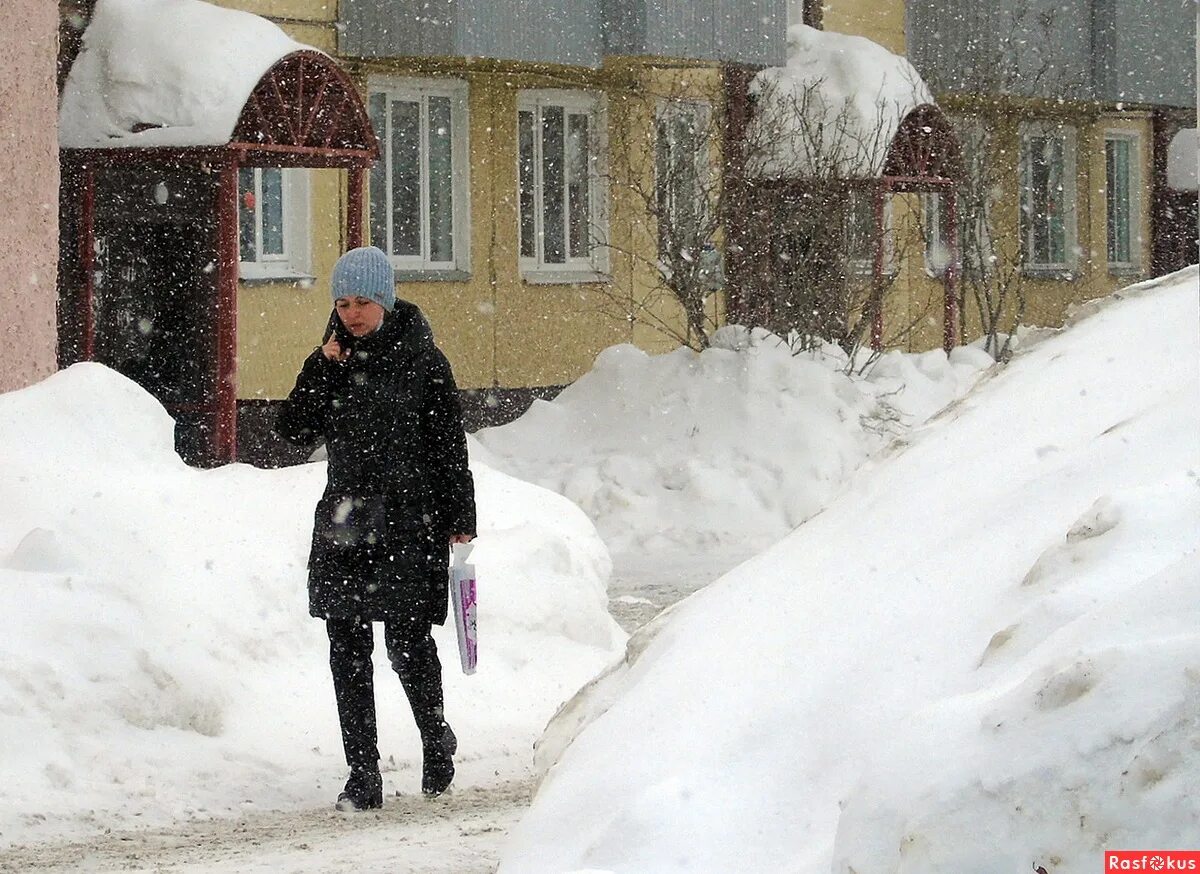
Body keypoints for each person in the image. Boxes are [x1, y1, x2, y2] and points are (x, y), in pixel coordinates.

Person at [275, 246, 476, 811]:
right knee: (347, 644)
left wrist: (460, 517)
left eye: (362, 301)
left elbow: (447, 447)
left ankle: (435, 738)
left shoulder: (423, 360)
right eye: (342, 302)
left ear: (385, 300)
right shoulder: (332, 362)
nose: (352, 312)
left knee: (408, 642)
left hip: (412, 518)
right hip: (348, 518)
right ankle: (363, 774)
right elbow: (291, 429)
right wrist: (320, 367)